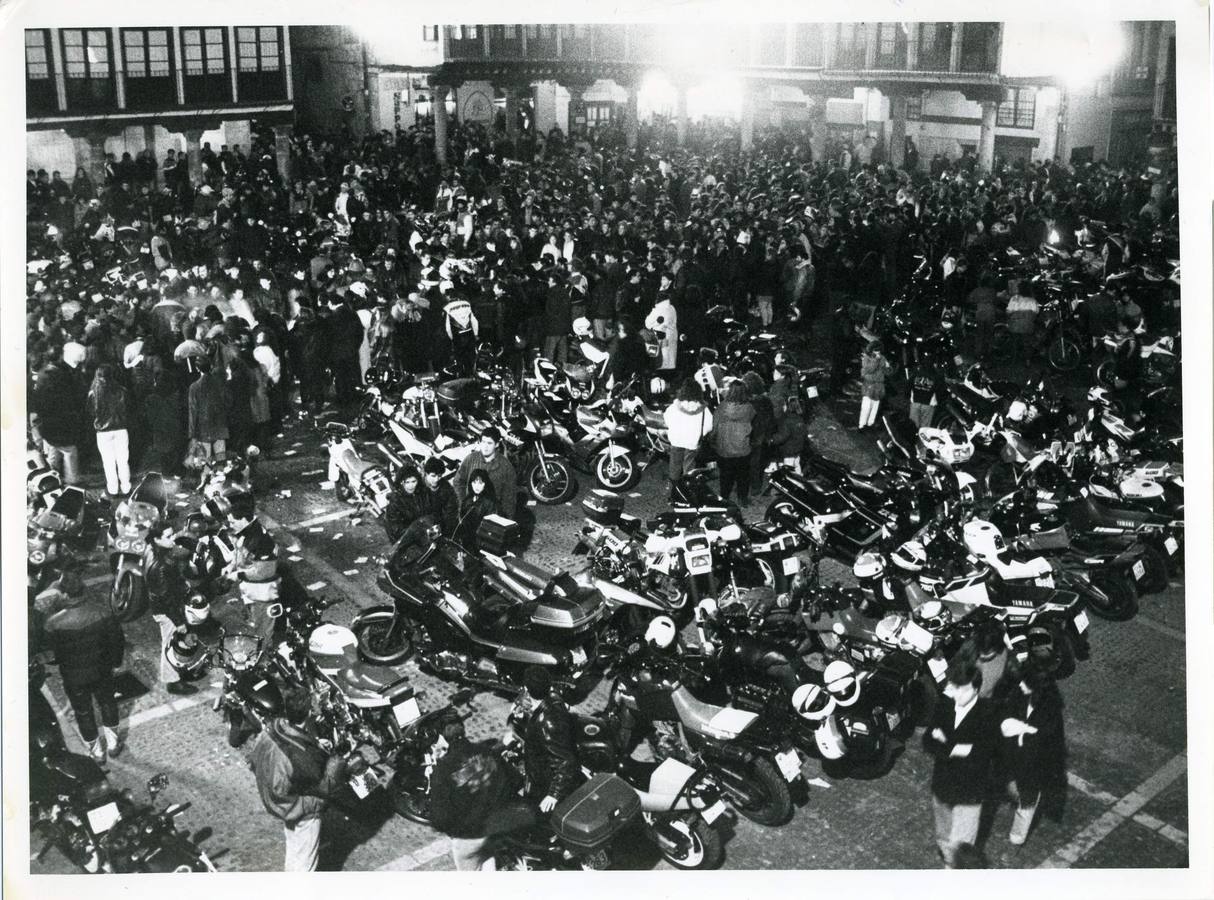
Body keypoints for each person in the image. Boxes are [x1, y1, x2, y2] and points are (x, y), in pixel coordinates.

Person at [248, 687, 353, 871]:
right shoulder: (302, 758)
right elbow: (324, 786)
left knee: (294, 845)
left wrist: (316, 744)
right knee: (305, 860)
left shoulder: (272, 728)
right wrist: (339, 759)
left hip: (276, 798)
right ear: (310, 712)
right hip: (297, 808)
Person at [40, 569, 126, 763]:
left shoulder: (53, 623)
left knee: (83, 712)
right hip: (101, 670)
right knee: (107, 703)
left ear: (63, 593)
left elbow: (52, 656)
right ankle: (113, 745)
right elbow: (117, 641)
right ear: (83, 590)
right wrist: (115, 662)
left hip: (74, 677)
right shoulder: (102, 611)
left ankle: (97, 752)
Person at [921, 657, 999, 868]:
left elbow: (984, 753)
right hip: (943, 784)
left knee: (963, 843)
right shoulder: (945, 705)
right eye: (954, 688)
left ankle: (956, 871)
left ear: (976, 689)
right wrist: (957, 749)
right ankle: (949, 860)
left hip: (969, 790)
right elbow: (928, 740)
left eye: (963, 690)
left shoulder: (988, 714)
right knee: (944, 834)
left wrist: (946, 744)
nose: (957, 695)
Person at [430, 716, 532, 871]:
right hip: (500, 822)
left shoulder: (443, 769)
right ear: (463, 731)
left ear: (442, 740)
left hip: (473, 834)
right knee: (487, 856)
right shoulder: (485, 750)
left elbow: (439, 817)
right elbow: (515, 779)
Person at [997, 663, 1066, 847]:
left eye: (1025, 682)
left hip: (1033, 764)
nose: (1020, 685)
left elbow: (1046, 747)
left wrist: (1023, 730)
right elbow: (1008, 711)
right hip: (1014, 753)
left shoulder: (1049, 713)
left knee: (1026, 800)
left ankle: (1018, 834)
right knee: (1013, 789)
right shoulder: (1021, 696)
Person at [520, 666, 583, 812]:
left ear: (527, 688)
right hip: (538, 771)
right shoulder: (553, 698)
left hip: (544, 781)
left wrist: (553, 794)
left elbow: (565, 761)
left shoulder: (547, 723)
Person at [145, 521, 194, 695]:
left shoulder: (155, 552)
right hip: (167, 612)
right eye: (168, 536)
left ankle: (177, 672)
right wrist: (179, 620)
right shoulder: (160, 565)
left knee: (175, 641)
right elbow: (165, 597)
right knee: (170, 644)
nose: (173, 539)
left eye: (173, 534)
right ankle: (172, 681)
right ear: (157, 539)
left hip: (166, 608)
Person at [32, 341, 88, 485]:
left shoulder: (42, 374)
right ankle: (72, 482)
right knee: (70, 452)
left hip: (46, 425)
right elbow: (69, 401)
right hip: (61, 426)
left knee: (53, 452)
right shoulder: (61, 376)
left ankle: (52, 479)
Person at [86, 364, 132, 499]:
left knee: (108, 462)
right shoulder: (122, 390)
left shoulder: (93, 393)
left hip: (103, 432)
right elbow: (129, 409)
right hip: (121, 429)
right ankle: (126, 488)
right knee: (123, 460)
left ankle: (113, 489)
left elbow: (90, 412)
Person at [454, 427, 517, 519]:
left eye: (489, 443)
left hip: (493, 516)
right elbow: (458, 482)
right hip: (470, 514)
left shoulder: (506, 467)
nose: (485, 446)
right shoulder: (470, 459)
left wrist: (506, 521)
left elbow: (509, 499)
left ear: (497, 444)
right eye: (483, 442)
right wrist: (463, 504)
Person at [663, 379, 713, 493]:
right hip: (692, 443)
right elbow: (708, 427)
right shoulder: (704, 410)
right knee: (689, 469)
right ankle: (688, 491)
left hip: (676, 441)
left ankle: (672, 491)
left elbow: (666, 420)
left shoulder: (674, 407)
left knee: (674, 467)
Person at [710, 380, 755, 506]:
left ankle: (724, 499)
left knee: (725, 476)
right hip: (743, 448)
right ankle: (743, 498)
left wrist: (712, 440)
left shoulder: (722, 407)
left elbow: (714, 426)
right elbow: (752, 421)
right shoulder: (749, 408)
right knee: (743, 476)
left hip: (725, 448)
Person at [187, 356, 230, 464]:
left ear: (197, 368)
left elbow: (193, 411)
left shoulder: (194, 387)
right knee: (221, 457)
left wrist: (192, 433)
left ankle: (207, 477)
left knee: (206, 459)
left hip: (203, 427)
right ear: (210, 366)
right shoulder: (219, 383)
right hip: (220, 424)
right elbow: (228, 401)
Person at [454, 469, 499, 548]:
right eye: (474, 482)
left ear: (485, 484)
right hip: (465, 540)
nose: (477, 486)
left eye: (480, 483)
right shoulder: (468, 499)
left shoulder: (490, 502)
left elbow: (490, 528)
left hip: (481, 542)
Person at [422, 457, 459, 536]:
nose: (436, 480)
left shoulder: (446, 488)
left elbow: (451, 512)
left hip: (440, 526)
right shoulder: (419, 488)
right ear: (426, 474)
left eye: (439, 476)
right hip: (421, 526)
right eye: (433, 476)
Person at [1005, 281, 1040, 366]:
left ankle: (1013, 359)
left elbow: (1008, 312)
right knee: (1027, 343)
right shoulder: (1032, 301)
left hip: (1014, 326)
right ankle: (1027, 360)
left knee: (1014, 341)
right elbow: (1036, 312)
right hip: (1027, 327)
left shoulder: (1014, 299)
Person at [858, 341, 891, 430]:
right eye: (876, 350)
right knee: (866, 407)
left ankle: (870, 424)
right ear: (871, 350)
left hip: (879, 386)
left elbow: (888, 373)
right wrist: (876, 360)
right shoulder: (866, 358)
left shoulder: (883, 358)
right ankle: (862, 425)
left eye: (879, 350)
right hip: (869, 385)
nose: (878, 352)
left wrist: (888, 367)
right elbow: (869, 370)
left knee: (875, 407)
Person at [968, 274, 1000, 360]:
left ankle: (978, 352)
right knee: (989, 333)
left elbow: (970, 299)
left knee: (979, 333)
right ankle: (988, 352)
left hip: (980, 312)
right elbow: (996, 301)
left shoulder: (977, 291)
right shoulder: (992, 291)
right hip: (990, 312)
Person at [907, 363, 941, 429]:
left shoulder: (915, 375)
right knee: (924, 430)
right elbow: (940, 391)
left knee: (912, 427)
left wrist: (909, 397)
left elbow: (908, 387)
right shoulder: (936, 377)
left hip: (915, 404)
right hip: (928, 406)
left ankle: (912, 438)